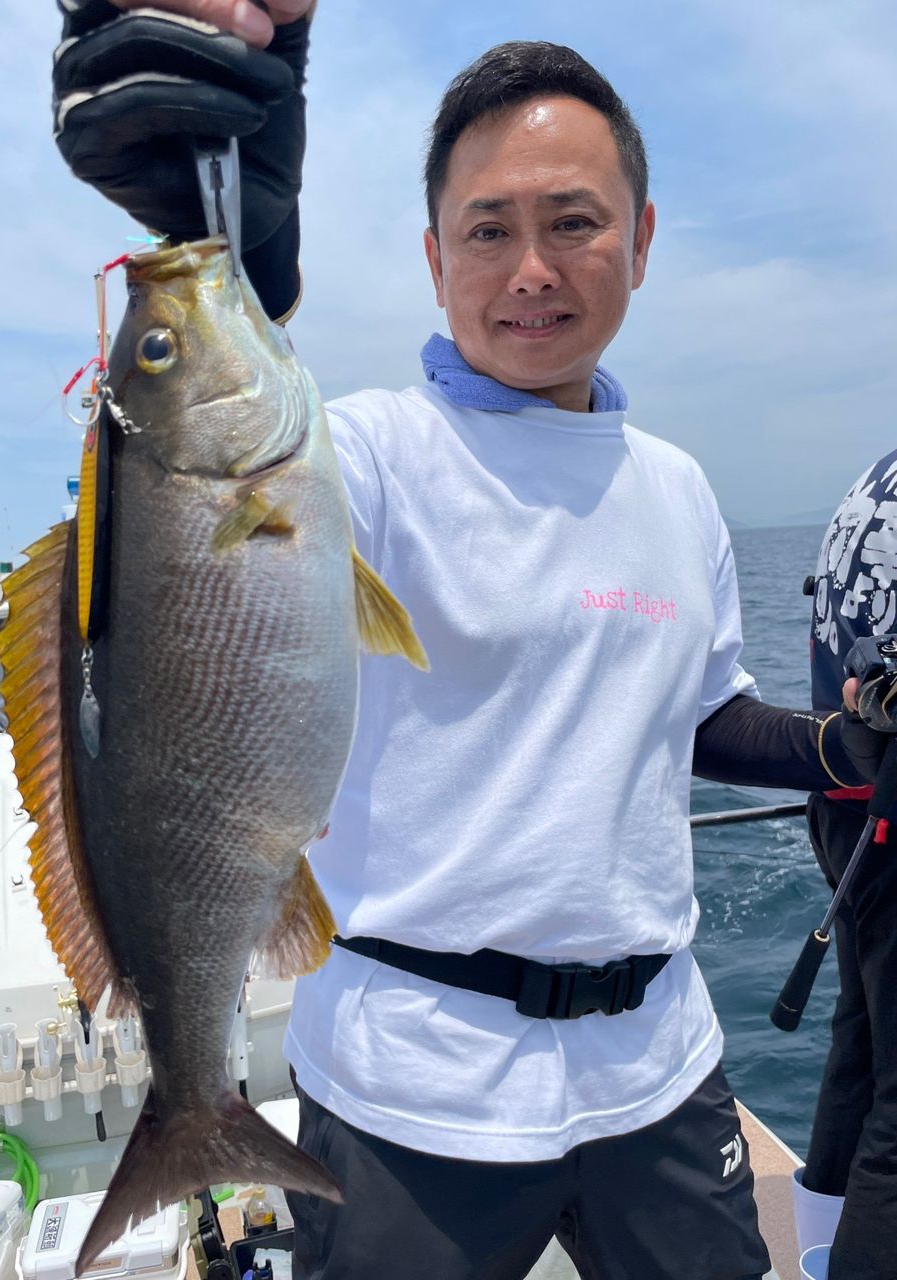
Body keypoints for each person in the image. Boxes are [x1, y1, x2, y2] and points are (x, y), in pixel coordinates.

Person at [50, 5, 891, 1276]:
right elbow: (184, 527)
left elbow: (701, 710)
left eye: (574, 223)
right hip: (410, 1077)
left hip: (659, 1064)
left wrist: (841, 743)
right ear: (436, 257)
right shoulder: (366, 455)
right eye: (489, 231)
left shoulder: (676, 486)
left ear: (642, 240)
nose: (531, 270)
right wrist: (223, 249)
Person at [790, 449, 897, 1280]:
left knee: (861, 1047)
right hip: (885, 815)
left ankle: (820, 1251)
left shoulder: (875, 479)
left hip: (843, 807)